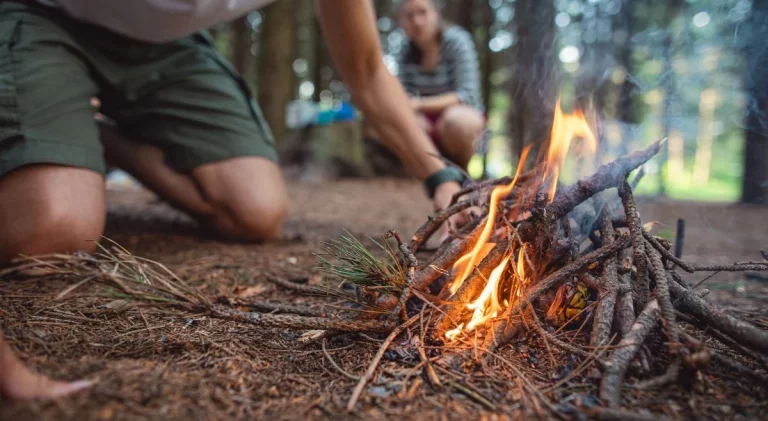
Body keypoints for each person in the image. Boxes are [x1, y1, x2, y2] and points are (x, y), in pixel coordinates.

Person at [0, 0, 472, 266]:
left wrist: (439, 176)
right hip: (45, 14)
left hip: (169, 47)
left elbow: (367, 72)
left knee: (256, 212)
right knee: (51, 234)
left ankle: (98, 133)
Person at [395, 0, 486, 171]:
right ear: (402, 22)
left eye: (423, 12)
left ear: (435, 14)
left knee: (458, 123)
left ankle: (461, 174)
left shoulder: (456, 41)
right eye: (409, 15)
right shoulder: (405, 51)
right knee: (401, 122)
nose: (417, 21)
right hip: (425, 122)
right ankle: (428, 174)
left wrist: (419, 105)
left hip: (459, 117)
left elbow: (466, 95)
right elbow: (404, 95)